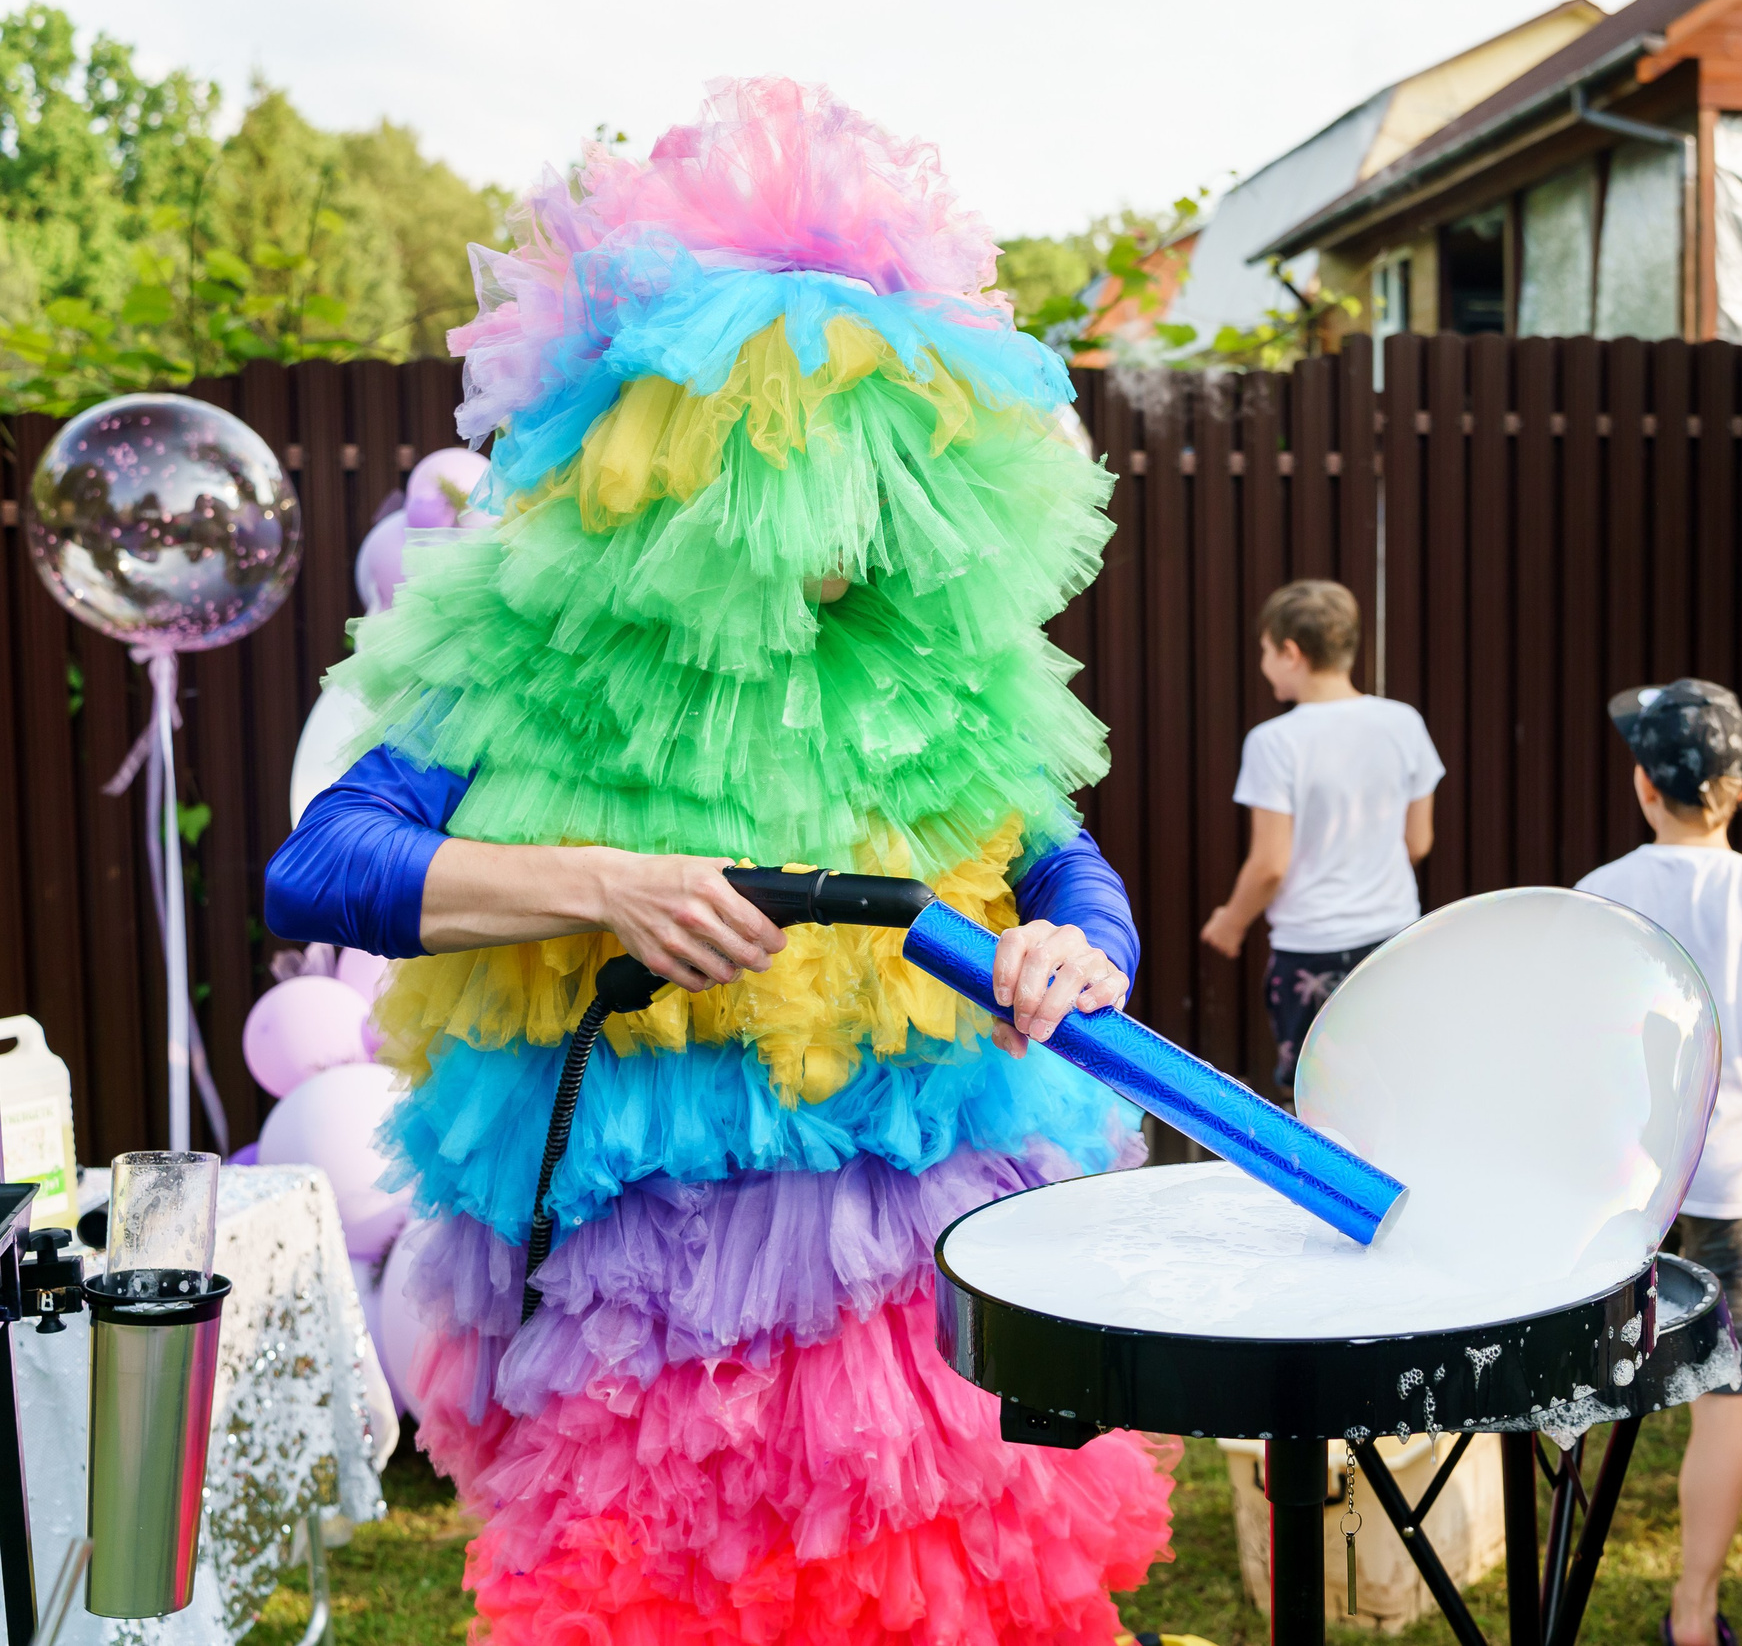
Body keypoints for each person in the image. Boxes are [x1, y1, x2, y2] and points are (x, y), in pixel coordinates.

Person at [263, 79, 1176, 1645]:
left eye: (874, 479)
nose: (839, 532)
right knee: (663, 1592)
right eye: (789, 475)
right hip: (640, 1265)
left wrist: (1076, 949)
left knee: (926, 1574)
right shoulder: (543, 655)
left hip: (901, 1235)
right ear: (674, 461)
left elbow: (1068, 870)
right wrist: (599, 881)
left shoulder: (929, 665)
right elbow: (323, 865)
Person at [1572, 680, 1742, 1646]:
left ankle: (1560, 1545)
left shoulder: (1604, 889)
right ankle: (1693, 1617)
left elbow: (1593, 1037)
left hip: (1627, 1173)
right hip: (1738, 1169)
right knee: (1728, 1386)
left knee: (1601, 1360)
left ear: (1644, 784)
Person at [1200, 579, 1442, 1094]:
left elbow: (1270, 864)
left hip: (1310, 952)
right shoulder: (1404, 723)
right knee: (1399, 1090)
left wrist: (1231, 922)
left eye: (1265, 651)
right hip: (1395, 940)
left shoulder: (1274, 742)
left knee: (1321, 1101)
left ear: (1291, 653)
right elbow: (1418, 842)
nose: (1264, 664)